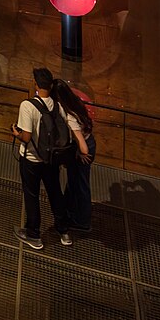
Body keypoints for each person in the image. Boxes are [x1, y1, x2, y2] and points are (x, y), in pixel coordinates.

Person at [11, 67, 72, 249]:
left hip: (31, 159)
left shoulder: (27, 106)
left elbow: (27, 137)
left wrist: (16, 133)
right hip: (51, 160)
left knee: (32, 195)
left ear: (36, 84)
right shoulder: (57, 105)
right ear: (51, 85)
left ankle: (34, 235)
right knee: (55, 193)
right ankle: (64, 231)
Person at [52, 79, 97, 234]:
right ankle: (70, 210)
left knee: (81, 185)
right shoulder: (76, 102)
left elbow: (83, 147)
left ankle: (82, 221)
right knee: (74, 182)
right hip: (90, 140)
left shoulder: (69, 116)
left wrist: (79, 152)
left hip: (84, 148)